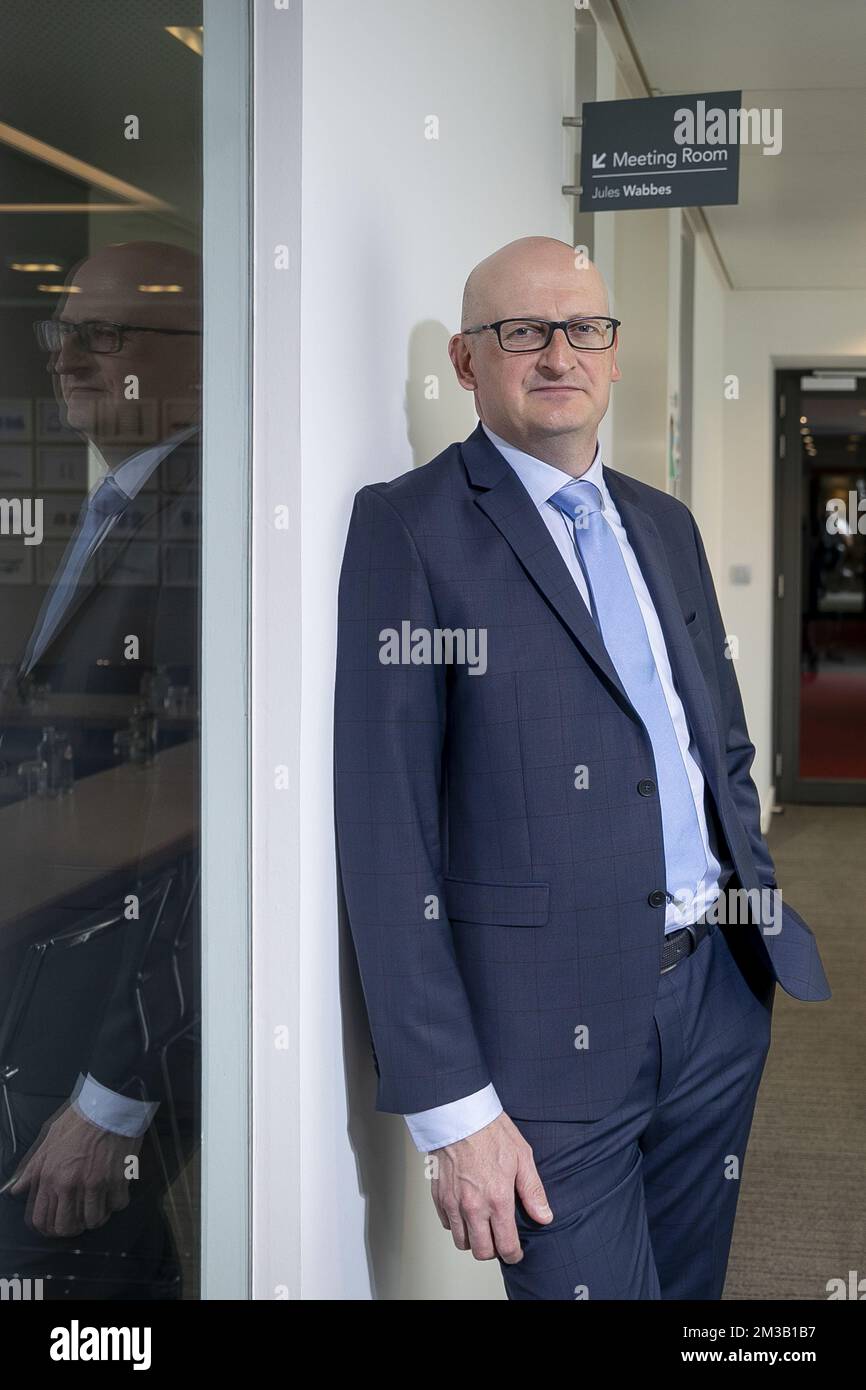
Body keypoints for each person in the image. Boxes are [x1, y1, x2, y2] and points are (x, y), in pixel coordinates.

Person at [334, 235, 830, 1300]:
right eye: (522, 331)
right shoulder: (410, 529)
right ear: (468, 363)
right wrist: (454, 1106)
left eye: (583, 329)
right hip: (542, 1044)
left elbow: (719, 747)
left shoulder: (662, 522)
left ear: (612, 355)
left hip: (717, 1000)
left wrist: (748, 914)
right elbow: (386, 834)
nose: (557, 352)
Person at [0, 241, 201, 1299]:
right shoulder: (106, 506)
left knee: (62, 1260)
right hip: (40, 979)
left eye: (105, 335)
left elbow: (205, 826)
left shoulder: (203, 525)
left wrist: (116, 1093)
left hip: (108, 1007)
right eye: (63, 331)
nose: (69, 357)